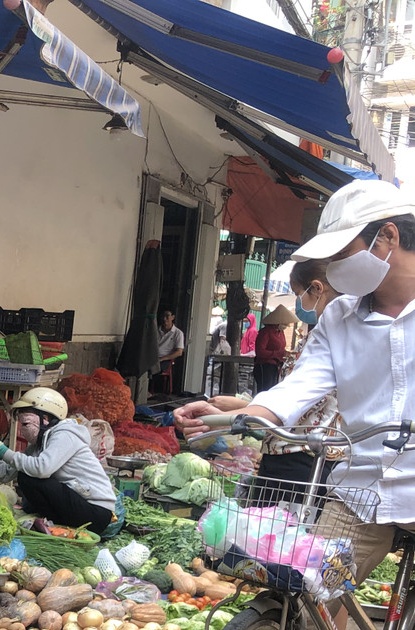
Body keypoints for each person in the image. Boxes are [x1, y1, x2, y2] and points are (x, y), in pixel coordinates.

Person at [175, 178, 415, 588]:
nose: (334, 268)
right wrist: (226, 419)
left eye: (341, 255)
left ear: (387, 237)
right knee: (306, 589)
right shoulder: (338, 317)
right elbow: (298, 388)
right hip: (361, 491)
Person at [205, 263, 342, 495]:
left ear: (317, 289)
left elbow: (306, 400)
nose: (298, 302)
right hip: (284, 450)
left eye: (298, 294)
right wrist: (241, 409)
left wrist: (229, 416)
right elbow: (292, 398)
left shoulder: (340, 340)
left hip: (304, 454)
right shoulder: (318, 337)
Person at [0, 387, 119, 534]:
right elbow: (5, 473)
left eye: (26, 424)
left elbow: (42, 469)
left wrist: (2, 450)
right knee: (26, 473)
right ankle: (51, 524)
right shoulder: (37, 447)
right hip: (78, 505)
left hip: (96, 512)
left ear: (45, 418)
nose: (23, 430)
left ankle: (53, 523)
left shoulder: (65, 435)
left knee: (29, 477)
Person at [252, 305, 296, 392]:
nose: (286, 326)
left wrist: (285, 354)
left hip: (276, 367)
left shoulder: (281, 332)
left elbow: (281, 348)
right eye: (284, 323)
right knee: (265, 391)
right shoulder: (265, 332)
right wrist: (277, 354)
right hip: (265, 367)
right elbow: (260, 351)